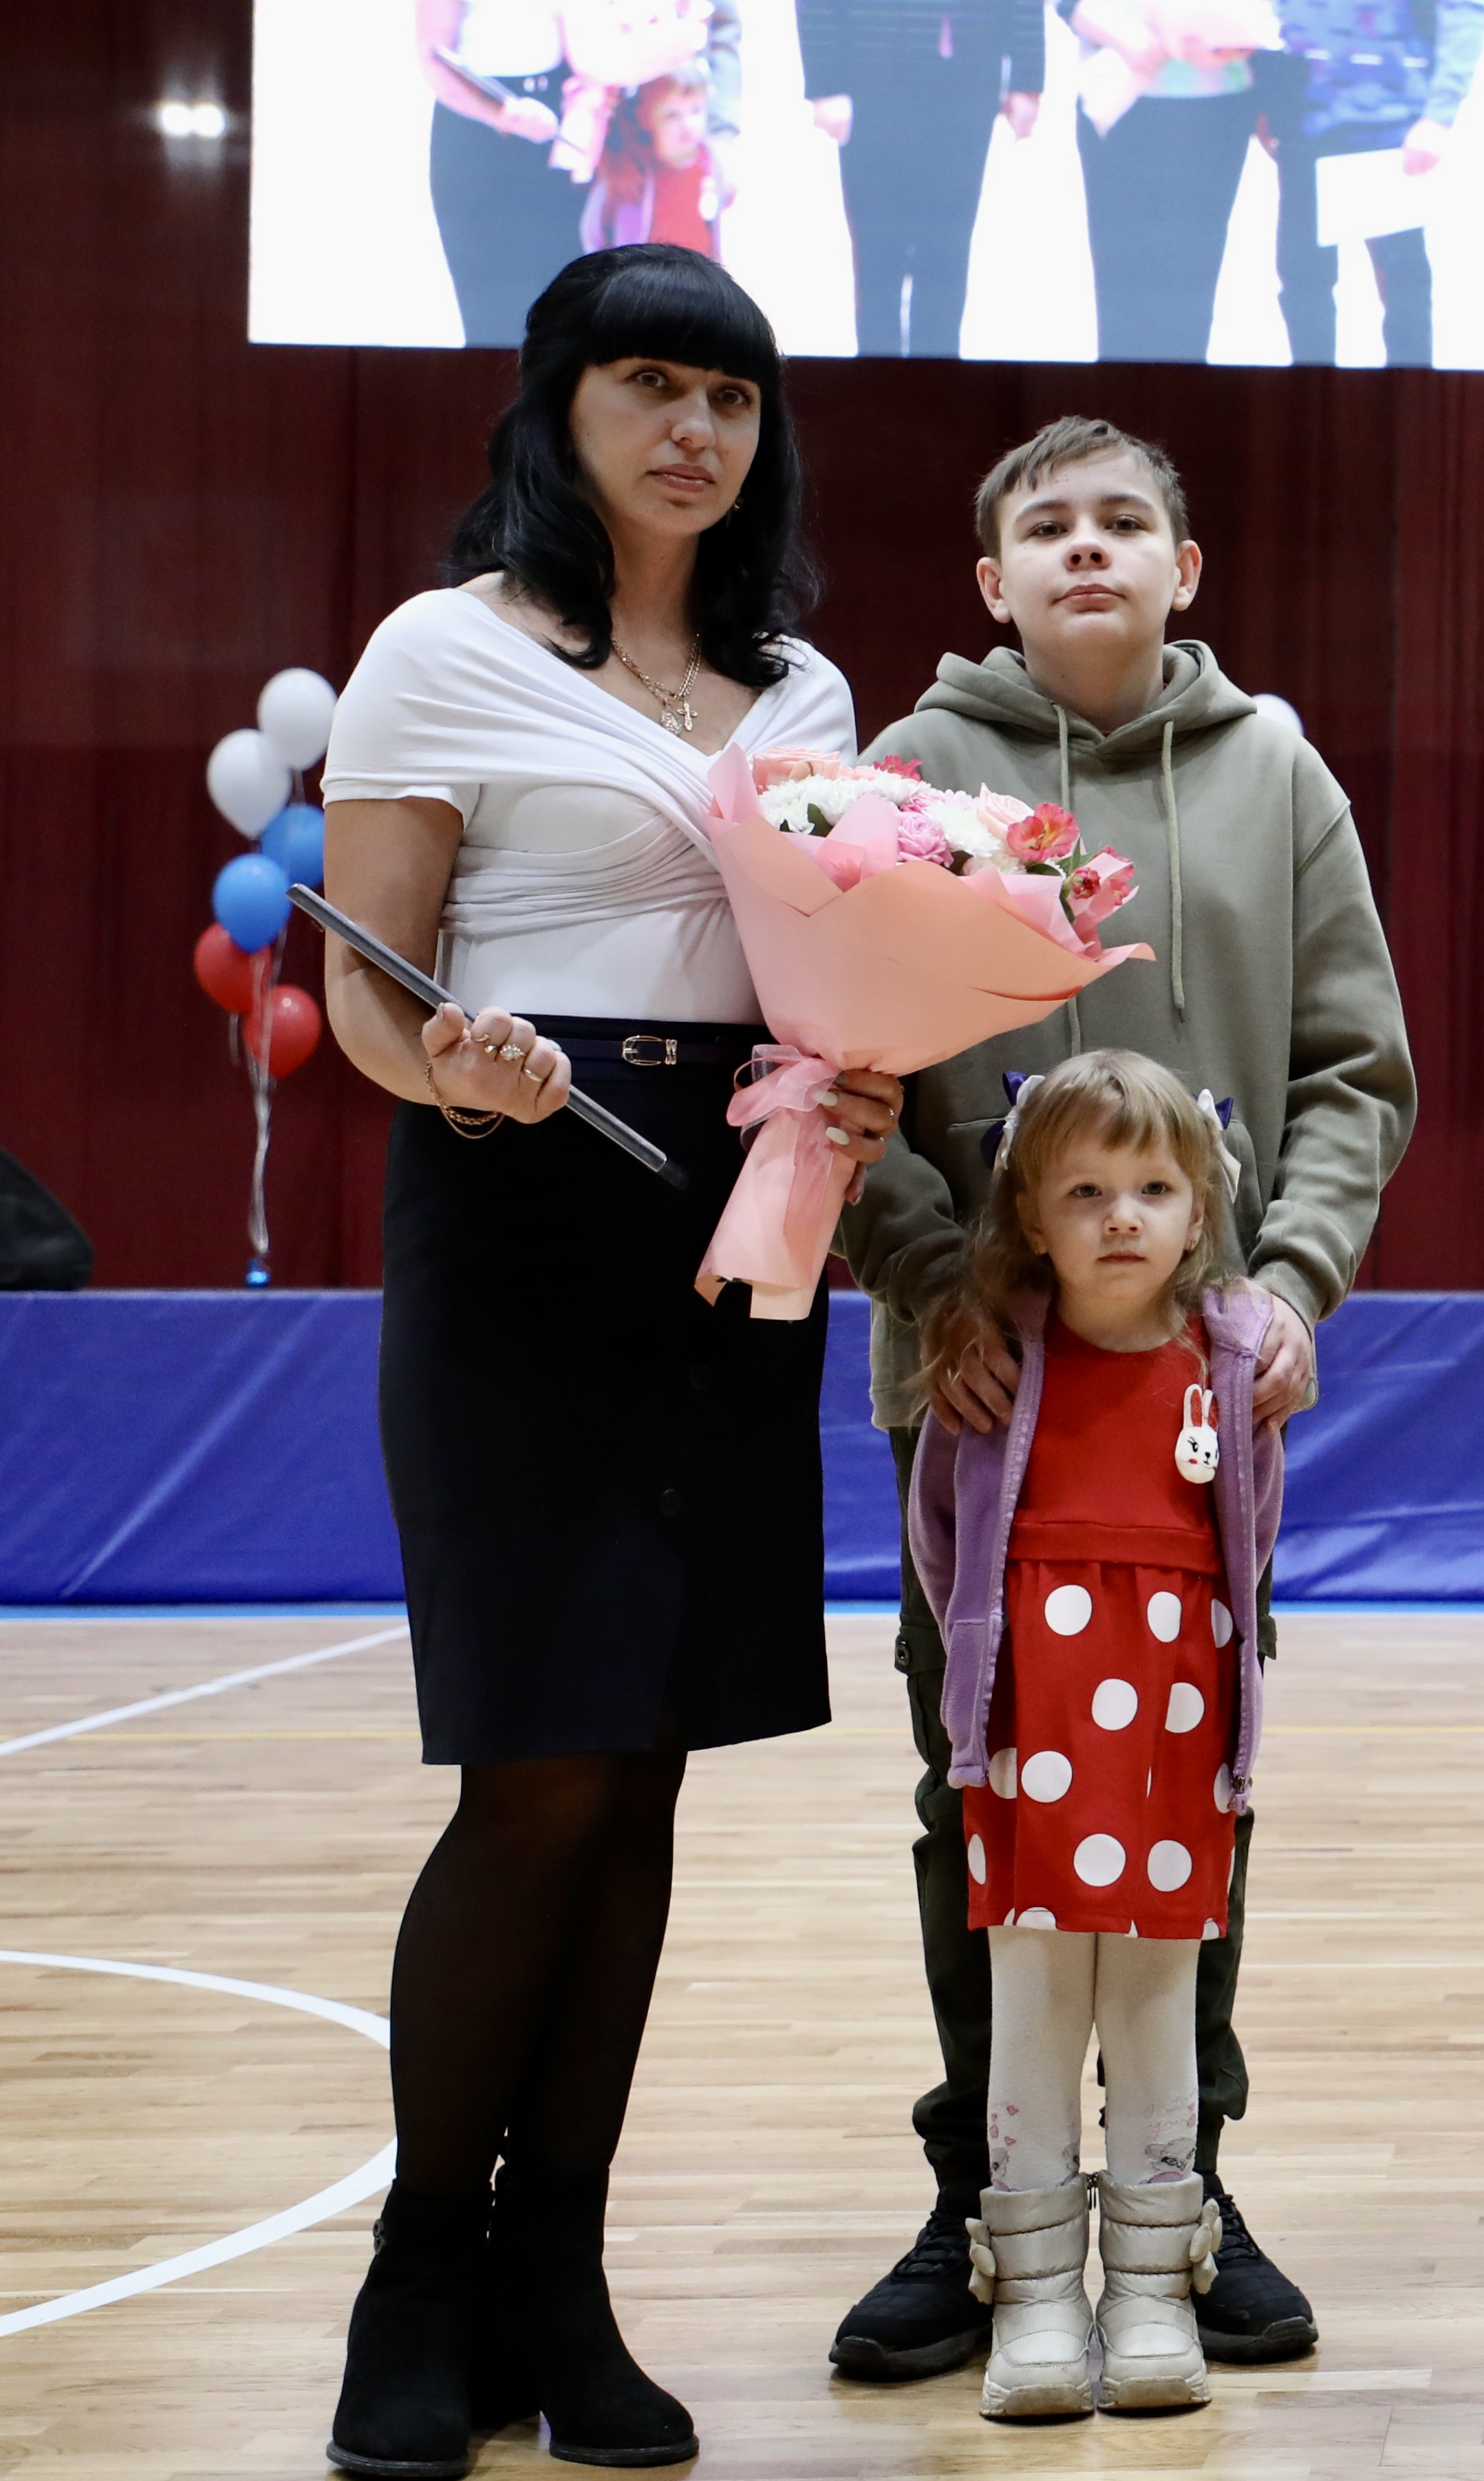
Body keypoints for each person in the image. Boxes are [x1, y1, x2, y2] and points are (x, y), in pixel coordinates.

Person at [310, 244, 903, 2478]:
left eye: (731, 397)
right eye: (650, 383)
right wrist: (448, 1073)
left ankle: (556, 2277)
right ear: (558, 405)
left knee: (644, 1762)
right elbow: (365, 977)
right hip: (514, 1213)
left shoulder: (805, 687)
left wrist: (865, 1068)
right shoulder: (439, 648)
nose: (693, 429)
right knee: (537, 1759)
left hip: (728, 1224)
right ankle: (418, 2275)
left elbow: (827, 965)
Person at [830, 414, 1415, 2379]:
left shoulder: (1276, 774)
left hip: (1196, 1411)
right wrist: (936, 1282)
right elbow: (845, 1076)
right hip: (978, 1388)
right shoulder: (906, 777)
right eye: (1047, 528)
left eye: (1123, 522)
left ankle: (1183, 2187)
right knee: (976, 1785)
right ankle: (977, 2192)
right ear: (989, 581)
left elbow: (1356, 1069)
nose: (1087, 550)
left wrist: (1288, 1285)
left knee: (1190, 1775)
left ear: (1184, 567)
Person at [905, 1050, 1291, 2418]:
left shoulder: (1229, 1363)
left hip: (1171, 1743)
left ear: (1200, 1208)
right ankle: (1030, 2297)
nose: (1121, 1216)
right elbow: (942, 1543)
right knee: (1031, 2003)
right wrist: (992, 1693)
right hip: (1034, 1741)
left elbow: (1249, 1539)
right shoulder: (994, 1362)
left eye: (1151, 1189)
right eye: (1083, 1191)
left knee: (1154, 2006)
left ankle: (1149, 2287)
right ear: (1027, 1212)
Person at [1252, 0, 1484, 365]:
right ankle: (1311, 393)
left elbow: (1464, 11)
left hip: (1389, 123)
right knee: (1304, 283)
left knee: (1403, 288)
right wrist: (1262, 96)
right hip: (1302, 115)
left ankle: (1409, 395)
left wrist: (1439, 115)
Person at [801, 0, 1044, 359]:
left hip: (967, 77)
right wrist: (824, 81)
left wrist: (1027, 75)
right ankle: (877, 380)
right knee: (877, 254)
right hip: (871, 71)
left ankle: (938, 381)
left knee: (948, 252)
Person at [1062, 1, 1270, 361]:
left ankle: (1182, 393)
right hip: (1121, 96)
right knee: (1122, 290)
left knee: (1192, 287)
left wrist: (1238, 40)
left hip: (1216, 105)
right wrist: (1126, 38)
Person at [416, 2, 586, 347]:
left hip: (562, 114)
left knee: (569, 310)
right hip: (479, 130)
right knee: (493, 318)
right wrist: (499, 115)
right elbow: (433, 56)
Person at [581, 67, 722, 256]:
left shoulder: (713, 163)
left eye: (695, 111)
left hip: (698, 268)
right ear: (645, 117)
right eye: (672, 115)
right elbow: (594, 232)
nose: (688, 124)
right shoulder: (629, 172)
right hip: (648, 271)